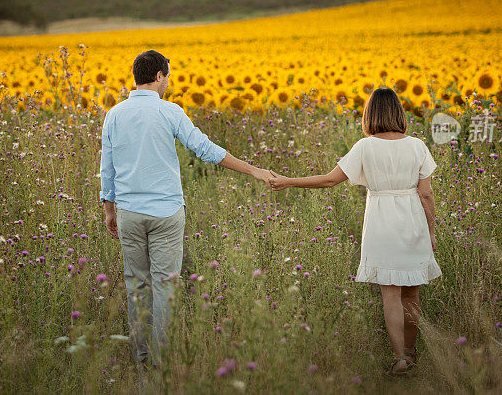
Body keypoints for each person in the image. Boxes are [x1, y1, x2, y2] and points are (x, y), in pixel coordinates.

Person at [99, 50, 275, 391]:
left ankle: (141, 365)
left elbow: (108, 167)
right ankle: (162, 364)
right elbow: (205, 149)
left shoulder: (114, 115)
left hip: (130, 213)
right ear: (162, 75)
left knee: (137, 285)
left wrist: (109, 209)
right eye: (169, 75)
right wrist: (254, 170)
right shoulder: (170, 112)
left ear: (136, 77)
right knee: (165, 286)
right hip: (166, 213)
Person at [268, 86, 441, 375]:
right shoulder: (417, 146)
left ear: (369, 114)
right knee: (412, 295)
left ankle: (399, 358)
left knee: (390, 295)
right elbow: (427, 195)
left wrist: (289, 180)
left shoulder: (365, 146)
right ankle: (411, 354)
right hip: (413, 223)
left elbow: (328, 181)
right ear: (398, 112)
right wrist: (431, 232)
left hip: (381, 223)